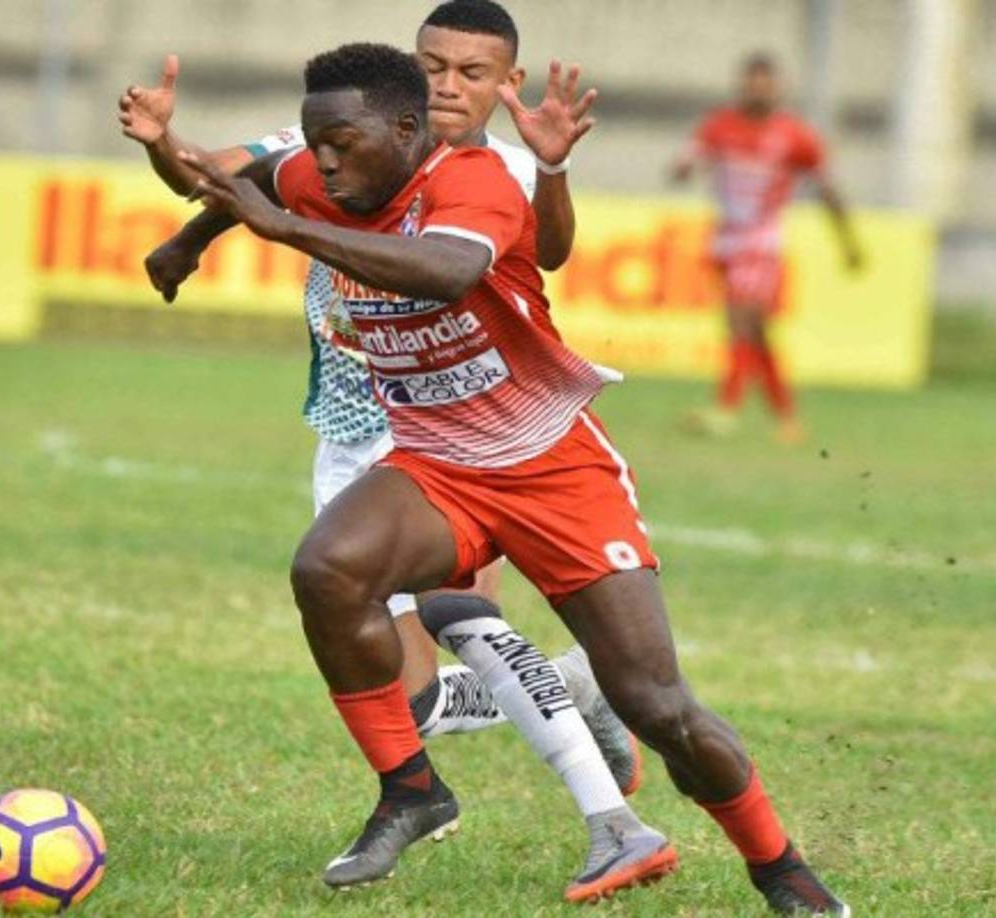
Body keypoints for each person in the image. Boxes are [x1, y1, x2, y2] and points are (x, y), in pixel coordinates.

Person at [149, 41, 849, 915]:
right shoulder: (325, 179)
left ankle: (778, 867)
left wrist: (285, 229)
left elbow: (449, 270)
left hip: (551, 467)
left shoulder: (474, 179)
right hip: (437, 468)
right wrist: (187, 243)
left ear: (405, 132)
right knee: (328, 569)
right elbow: (246, 191)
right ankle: (411, 791)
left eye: (341, 144)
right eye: (314, 143)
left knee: (657, 706)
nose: (322, 162)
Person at [125, 0, 654, 899]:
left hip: (454, 433)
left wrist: (555, 166)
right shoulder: (345, 129)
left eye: (470, 73)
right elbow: (217, 179)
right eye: (432, 65)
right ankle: (573, 690)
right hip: (349, 424)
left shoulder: (504, 167)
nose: (448, 85)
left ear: (506, 85)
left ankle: (615, 824)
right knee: (408, 697)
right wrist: (165, 161)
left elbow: (553, 254)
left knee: (460, 616)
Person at [672, 52, 863, 445]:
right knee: (756, 332)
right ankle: (788, 418)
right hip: (725, 240)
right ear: (743, 85)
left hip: (761, 242)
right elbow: (687, 159)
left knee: (741, 320)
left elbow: (827, 189)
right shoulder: (720, 126)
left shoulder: (795, 136)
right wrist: (684, 166)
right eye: (751, 82)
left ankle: (725, 409)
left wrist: (848, 241)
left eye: (766, 83)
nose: (758, 90)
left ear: (778, 88)